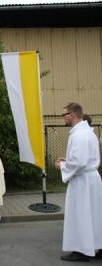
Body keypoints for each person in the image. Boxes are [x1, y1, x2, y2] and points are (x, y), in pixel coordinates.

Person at [55, 103, 102, 262]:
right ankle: (97, 245)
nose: (63, 118)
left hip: (82, 181)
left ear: (72, 115)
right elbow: (83, 159)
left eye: (64, 115)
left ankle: (82, 251)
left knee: (81, 215)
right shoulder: (87, 132)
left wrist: (62, 165)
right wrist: (68, 160)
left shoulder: (79, 135)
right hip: (90, 178)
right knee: (94, 215)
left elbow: (79, 162)